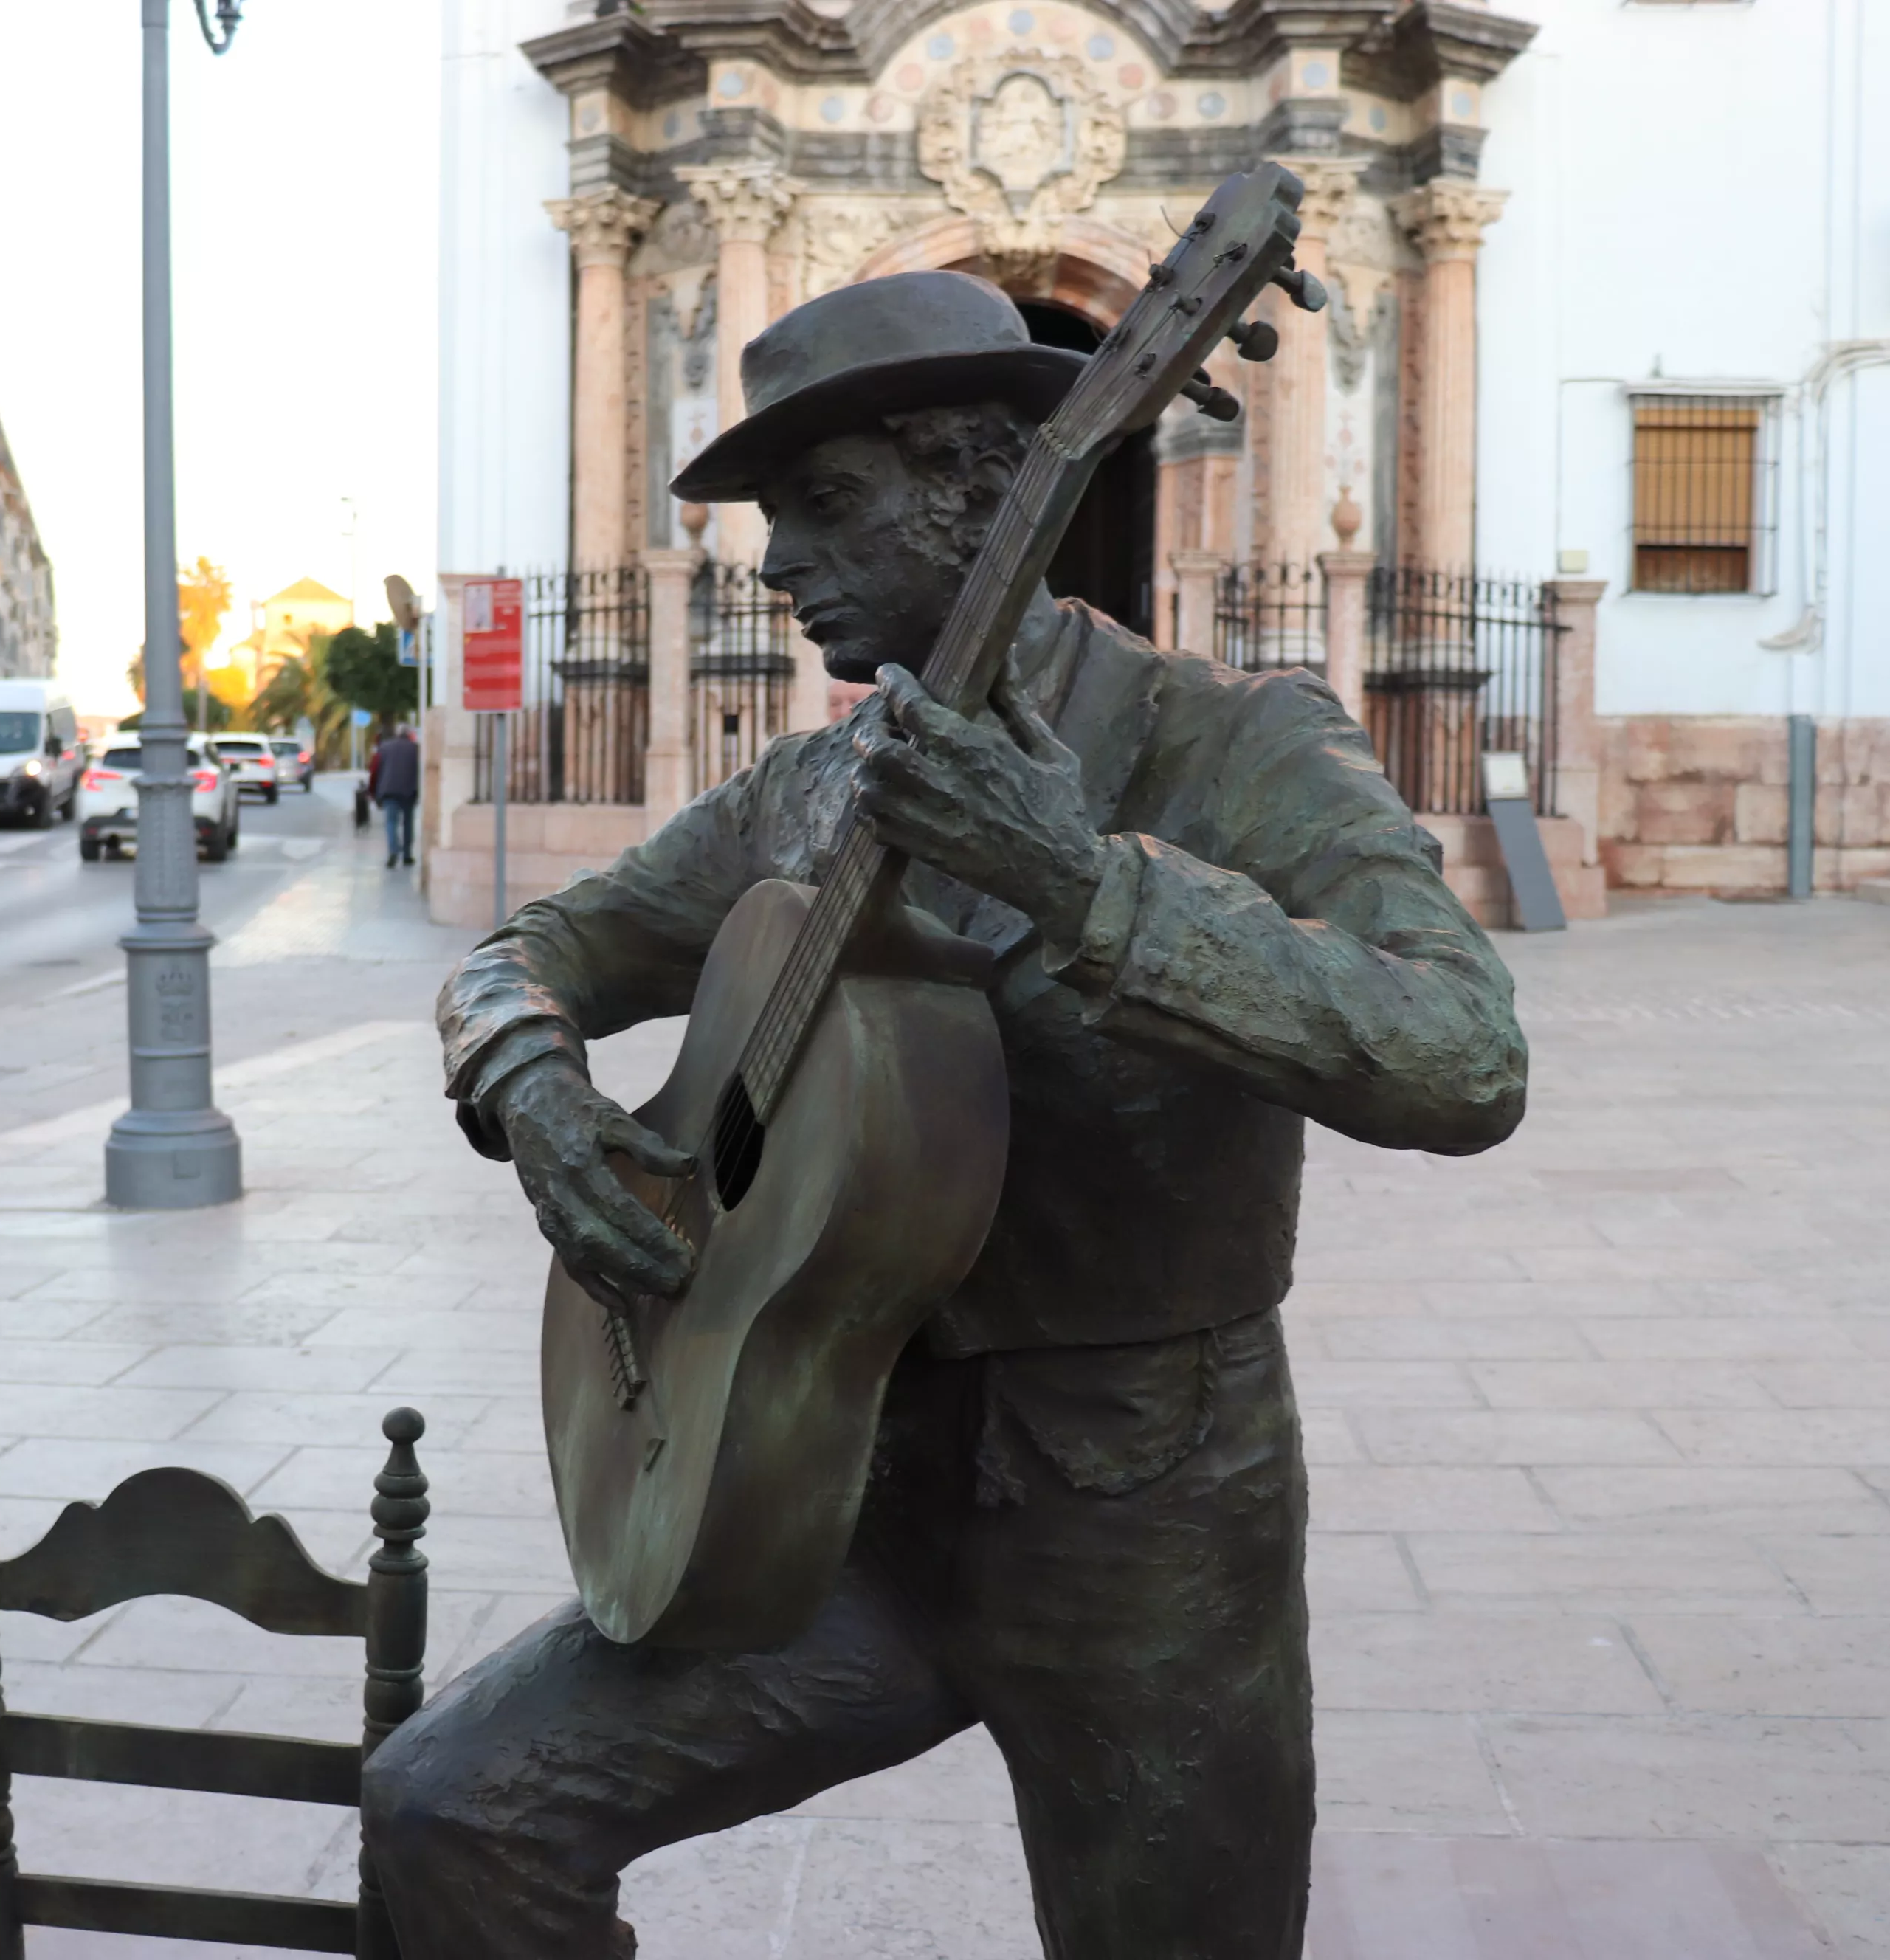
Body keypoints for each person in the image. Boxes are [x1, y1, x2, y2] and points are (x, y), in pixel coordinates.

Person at [364, 272, 1528, 1958]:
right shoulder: (809, 786)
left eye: (824, 504)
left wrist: (1081, 883)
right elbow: (529, 952)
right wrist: (531, 1084)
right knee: (450, 1804)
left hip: (1148, 1537)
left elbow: (1462, 1053)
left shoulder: (1232, 746)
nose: (775, 562)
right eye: (775, 517)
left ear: (984, 490)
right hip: (825, 1497)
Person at [368, 720, 422, 867]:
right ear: (409, 734)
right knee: (408, 823)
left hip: (389, 791)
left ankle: (393, 851)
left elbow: (375, 770)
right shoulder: (415, 749)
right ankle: (407, 854)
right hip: (409, 791)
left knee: (391, 822)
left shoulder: (385, 747)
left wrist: (373, 792)